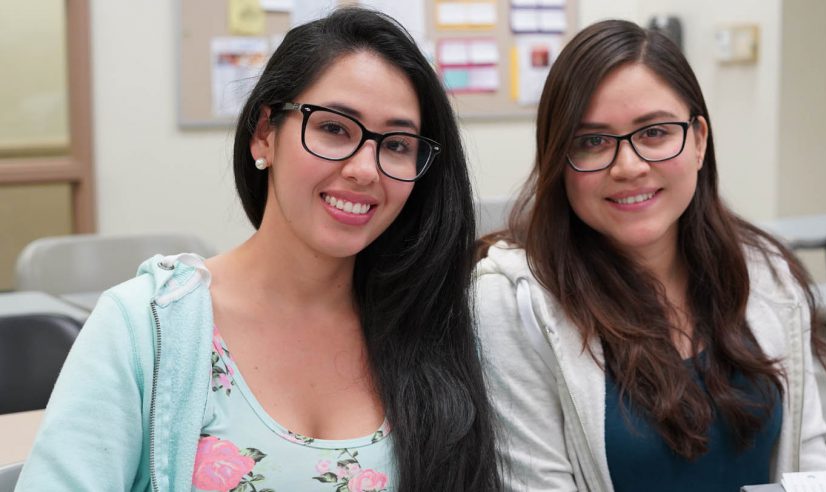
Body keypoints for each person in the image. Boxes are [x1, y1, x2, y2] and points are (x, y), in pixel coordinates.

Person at [16, 8, 499, 491]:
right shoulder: (147, 325)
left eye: (396, 144)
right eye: (334, 128)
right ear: (264, 133)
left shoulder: (435, 323)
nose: (365, 170)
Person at [475, 19, 826, 492]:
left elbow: (809, 467)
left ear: (699, 140)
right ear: (557, 161)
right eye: (592, 142)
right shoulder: (513, 302)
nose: (629, 167)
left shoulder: (764, 273)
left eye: (654, 133)